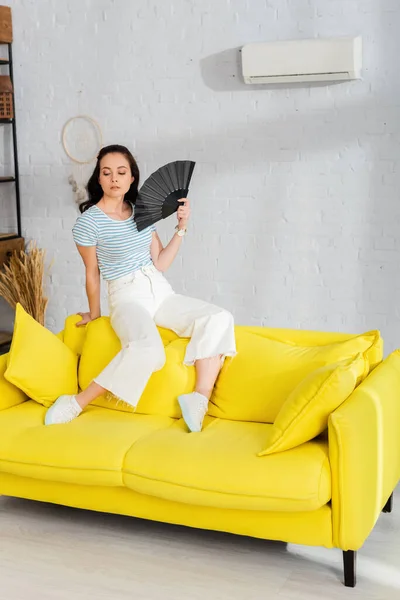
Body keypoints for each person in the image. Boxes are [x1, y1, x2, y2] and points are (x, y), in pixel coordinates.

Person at [45, 144, 236, 432]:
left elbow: (160, 263)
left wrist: (181, 228)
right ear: (98, 179)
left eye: (121, 172)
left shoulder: (141, 213)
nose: (114, 179)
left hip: (159, 290)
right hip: (126, 297)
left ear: (132, 177)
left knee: (219, 317)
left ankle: (198, 399)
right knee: (150, 351)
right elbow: (92, 273)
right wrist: (95, 314)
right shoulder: (88, 222)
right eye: (107, 173)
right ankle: (77, 402)